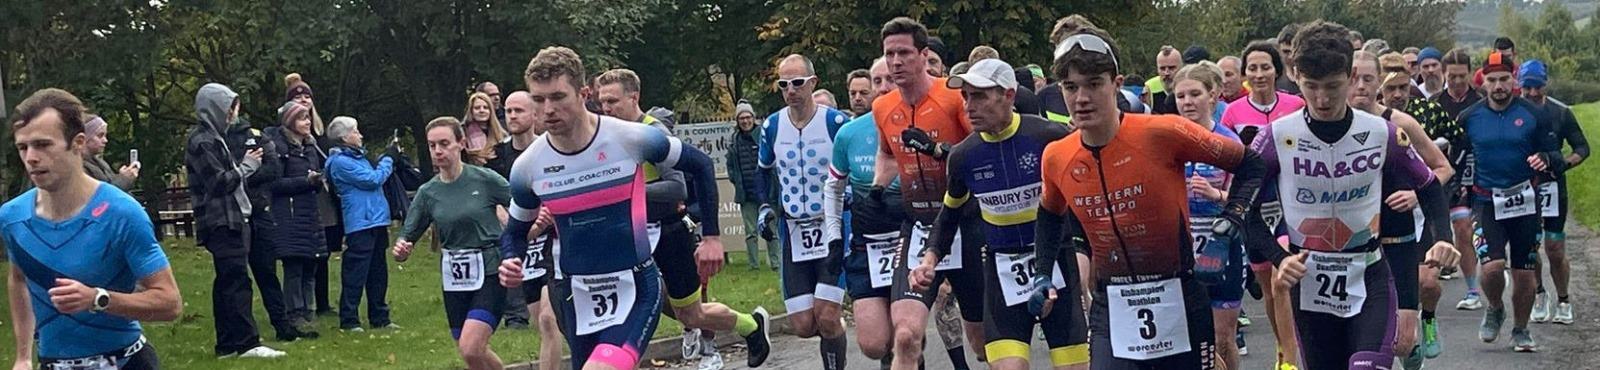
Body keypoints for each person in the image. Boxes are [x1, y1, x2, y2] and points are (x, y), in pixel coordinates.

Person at [496, 46, 770, 370]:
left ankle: (748, 328)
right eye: (539, 100)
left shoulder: (630, 137)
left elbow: (699, 166)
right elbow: (515, 232)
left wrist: (711, 236)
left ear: (584, 94)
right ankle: (752, 326)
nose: (549, 109)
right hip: (579, 293)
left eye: (558, 97)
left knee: (680, 319)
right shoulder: (528, 166)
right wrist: (510, 259)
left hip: (637, 282)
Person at [1031, 27, 1268, 370]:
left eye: (1094, 84)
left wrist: (1230, 221)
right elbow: (1050, 215)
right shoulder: (1057, 155)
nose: (1081, 98)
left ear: (1117, 83)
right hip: (1112, 304)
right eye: (1070, 87)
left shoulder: (1163, 132)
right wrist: (1042, 273)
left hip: (1180, 297)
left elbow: (1252, 165)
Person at [1250, 21, 1457, 370]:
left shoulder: (1383, 133)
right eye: (1311, 86)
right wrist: (1277, 256)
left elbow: (1429, 186)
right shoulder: (1276, 137)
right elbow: (1243, 210)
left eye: (1333, 86)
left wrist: (1445, 237)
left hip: (1370, 276)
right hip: (1309, 281)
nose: (1322, 99)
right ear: (1295, 75)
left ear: (1349, 75)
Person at [908, 58, 1086, 370]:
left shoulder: (1049, 138)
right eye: (965, 97)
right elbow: (948, 216)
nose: (968, 106)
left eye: (979, 95)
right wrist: (929, 259)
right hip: (1002, 268)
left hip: (1056, 262)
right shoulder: (964, 155)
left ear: (1008, 95)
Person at [595, 67, 766, 369]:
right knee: (627, 309)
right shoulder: (604, 135)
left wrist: (632, 191)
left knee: (691, 314)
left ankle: (750, 325)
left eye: (613, 101)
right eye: (602, 102)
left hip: (668, 231)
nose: (606, 109)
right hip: (630, 234)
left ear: (634, 97)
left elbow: (677, 186)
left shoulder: (653, 132)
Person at [4, 88, 182, 370]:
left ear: (77, 143)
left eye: (42, 145)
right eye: (23, 147)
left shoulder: (122, 213)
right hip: (52, 363)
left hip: (125, 361)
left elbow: (170, 302)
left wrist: (98, 299)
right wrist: (23, 356)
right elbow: (18, 280)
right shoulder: (12, 217)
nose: (31, 158)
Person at [874, 17, 987, 370]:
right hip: (919, 226)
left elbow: (983, 150)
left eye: (904, 53)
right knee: (905, 336)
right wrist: (877, 188)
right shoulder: (882, 107)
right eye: (889, 54)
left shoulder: (954, 98)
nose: (895, 62)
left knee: (983, 345)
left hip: (964, 224)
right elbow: (887, 153)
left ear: (924, 55)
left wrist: (939, 150)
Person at [1348, 50, 1457, 370]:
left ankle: (1412, 345)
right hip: (1353, 242)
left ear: (1379, 82)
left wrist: (1415, 194)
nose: (1361, 86)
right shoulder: (1331, 127)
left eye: (1368, 78)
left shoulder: (1398, 124)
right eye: (1354, 78)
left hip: (1399, 235)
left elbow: (1442, 168)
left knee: (1401, 342)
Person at [1459, 51, 1563, 353]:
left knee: (1524, 273)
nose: (1499, 85)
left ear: (1513, 80)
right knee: (1491, 268)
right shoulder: (1470, 117)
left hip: (1525, 202)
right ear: (1483, 83)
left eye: (1504, 79)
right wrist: (1455, 188)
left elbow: (1555, 154)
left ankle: (1521, 329)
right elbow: (1457, 158)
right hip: (1485, 201)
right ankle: (1494, 307)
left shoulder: (1534, 114)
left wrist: (1545, 158)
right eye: (1492, 80)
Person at [392, 117, 512, 370]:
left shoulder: (485, 180)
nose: (438, 151)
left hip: (490, 269)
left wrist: (525, 227)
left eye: (444, 144)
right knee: (469, 351)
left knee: (471, 346)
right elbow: (408, 234)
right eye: (432, 145)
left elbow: (523, 203)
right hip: (455, 276)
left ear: (462, 143)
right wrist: (402, 247)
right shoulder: (428, 192)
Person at [757, 53, 852, 370]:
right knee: (803, 325)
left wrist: (851, 196)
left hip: (832, 226)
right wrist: (765, 207)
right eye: (784, 84)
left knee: (826, 314)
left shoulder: (835, 122)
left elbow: (856, 164)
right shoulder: (771, 126)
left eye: (797, 83)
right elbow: (763, 170)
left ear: (813, 83)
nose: (790, 90)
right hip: (794, 229)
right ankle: (832, 336)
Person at [1377, 52, 1465, 362]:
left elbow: (1444, 168)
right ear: (1379, 88)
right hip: (1379, 222)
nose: (1398, 95)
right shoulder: (1359, 122)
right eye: (1391, 89)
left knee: (1427, 282)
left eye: (1403, 87)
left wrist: (1418, 193)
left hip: (1419, 216)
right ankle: (1403, 340)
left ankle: (1427, 318)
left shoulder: (1410, 121)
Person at [1172, 61, 1249, 370]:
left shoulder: (1228, 142)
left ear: (1213, 96)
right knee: (1184, 337)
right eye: (1181, 96)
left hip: (1222, 244)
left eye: (1194, 94)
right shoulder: (1169, 140)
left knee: (1222, 336)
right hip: (1181, 248)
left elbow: (1246, 196)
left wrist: (1216, 195)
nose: (1187, 102)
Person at [828, 57, 902, 368]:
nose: (883, 87)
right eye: (877, 81)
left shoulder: (919, 122)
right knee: (873, 344)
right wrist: (834, 238)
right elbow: (833, 188)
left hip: (909, 240)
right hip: (867, 245)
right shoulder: (849, 133)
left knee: (907, 333)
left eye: (890, 80)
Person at [486, 91, 566, 370]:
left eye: (519, 110)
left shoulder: (549, 149)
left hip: (552, 244)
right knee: (541, 322)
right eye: (508, 111)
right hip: (522, 245)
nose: (512, 116)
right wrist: (522, 224)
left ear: (535, 115)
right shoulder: (497, 157)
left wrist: (546, 218)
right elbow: (496, 203)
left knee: (548, 318)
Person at [222, 101, 307, 343]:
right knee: (236, 277)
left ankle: (282, 326)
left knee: (267, 272)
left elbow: (273, 169)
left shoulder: (255, 136)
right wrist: (246, 169)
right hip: (232, 214)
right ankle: (239, 333)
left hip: (260, 210)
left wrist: (243, 174)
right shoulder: (217, 140)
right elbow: (220, 176)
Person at [1519, 60, 1590, 325]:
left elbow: (1582, 148)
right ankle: (1539, 293)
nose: (1533, 93)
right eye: (1527, 87)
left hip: (1552, 187)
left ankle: (1563, 299)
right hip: (1524, 188)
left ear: (1545, 85)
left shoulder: (1560, 112)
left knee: (1555, 247)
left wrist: (1564, 163)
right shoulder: (1513, 111)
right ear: (1519, 86)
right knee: (1529, 246)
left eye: (1537, 87)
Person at [324, 115, 398, 332]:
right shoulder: (340, 162)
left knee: (378, 271)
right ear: (344, 137)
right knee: (355, 272)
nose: (360, 135)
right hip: (359, 222)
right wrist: (389, 159)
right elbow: (372, 180)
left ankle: (380, 316)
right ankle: (349, 319)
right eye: (356, 131)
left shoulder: (358, 158)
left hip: (375, 220)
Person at [266, 101, 328, 340]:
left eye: (308, 118)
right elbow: (275, 183)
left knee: (310, 263)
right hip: (289, 214)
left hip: (310, 212)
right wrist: (306, 181)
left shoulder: (311, 148)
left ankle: (308, 310)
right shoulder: (280, 148)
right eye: (303, 119)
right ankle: (294, 312)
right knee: (294, 265)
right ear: (291, 122)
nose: (308, 123)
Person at [1431, 48, 1486, 310]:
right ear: (1444, 74)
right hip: (1447, 173)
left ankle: (1480, 282)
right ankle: (1468, 289)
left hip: (1478, 171)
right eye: (1451, 76)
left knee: (1471, 228)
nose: (1456, 81)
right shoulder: (1434, 104)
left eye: (1461, 76)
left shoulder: (1481, 101)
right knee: (1453, 229)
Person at [284, 73, 336, 318]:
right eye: (298, 97)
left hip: (319, 198)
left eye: (307, 96)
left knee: (320, 250)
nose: (304, 100)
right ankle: (298, 307)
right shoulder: (287, 143)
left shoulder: (318, 136)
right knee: (299, 259)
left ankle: (317, 304)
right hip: (298, 203)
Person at [727, 102, 775, 270]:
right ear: (737, 120)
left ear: (753, 118)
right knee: (750, 232)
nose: (745, 121)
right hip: (745, 193)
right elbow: (730, 166)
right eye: (742, 118)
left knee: (771, 230)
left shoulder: (763, 135)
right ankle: (754, 265)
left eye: (748, 117)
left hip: (767, 192)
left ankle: (776, 263)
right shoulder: (734, 140)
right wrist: (735, 181)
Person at [80, 115, 139, 190]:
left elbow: (109, 184)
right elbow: (102, 196)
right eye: (100, 136)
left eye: (105, 135)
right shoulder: (79, 167)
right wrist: (124, 179)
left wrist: (121, 176)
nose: (105, 140)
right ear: (86, 137)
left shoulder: (99, 163)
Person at [462, 92, 509, 165]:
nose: (482, 110)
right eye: (477, 108)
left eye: (485, 107)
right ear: (471, 111)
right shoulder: (463, 134)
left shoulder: (503, 135)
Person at [1144, 45, 1181, 114]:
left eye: (1171, 68)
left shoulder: (1189, 85)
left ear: (1181, 68)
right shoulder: (1149, 87)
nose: (1166, 73)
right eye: (1162, 68)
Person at [1275, 23, 1304, 95]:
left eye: (1295, 51)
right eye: (1286, 52)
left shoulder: (1315, 77)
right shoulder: (1274, 77)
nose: (1291, 56)